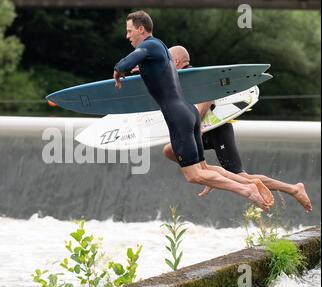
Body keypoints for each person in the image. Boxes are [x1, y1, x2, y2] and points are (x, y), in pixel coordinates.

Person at [113, 10, 274, 212]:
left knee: (194, 175)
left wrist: (119, 69)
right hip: (189, 112)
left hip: (177, 117)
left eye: (129, 31)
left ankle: (248, 190)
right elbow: (157, 69)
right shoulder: (161, 48)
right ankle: (247, 183)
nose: (127, 36)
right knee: (204, 169)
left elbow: (127, 62)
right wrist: (142, 69)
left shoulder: (149, 45)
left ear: (141, 29)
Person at [162, 46, 312, 213]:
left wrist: (193, 132)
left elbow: (204, 104)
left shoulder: (196, 76)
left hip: (217, 130)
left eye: (167, 61)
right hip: (202, 131)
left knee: (242, 177)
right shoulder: (181, 80)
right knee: (169, 150)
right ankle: (211, 177)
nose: (165, 65)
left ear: (176, 61)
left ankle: (293, 189)